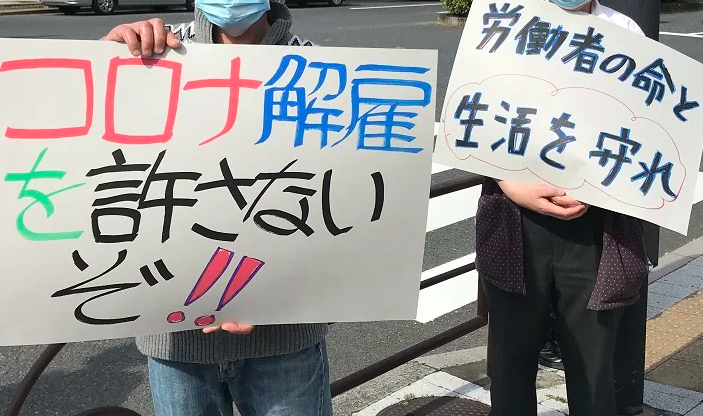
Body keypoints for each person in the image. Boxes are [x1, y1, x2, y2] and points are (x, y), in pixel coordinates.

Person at [102, 2, 331, 416]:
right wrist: (106, 56)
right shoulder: (155, 50)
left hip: (286, 340)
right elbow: (90, 149)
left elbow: (342, 205)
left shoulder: (322, 71)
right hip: (176, 342)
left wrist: (278, 293)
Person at [475, 1, 646, 415]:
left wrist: (598, 187)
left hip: (598, 225)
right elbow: (474, 111)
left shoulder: (623, 32)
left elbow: (645, 130)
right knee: (509, 363)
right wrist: (510, 184)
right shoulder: (506, 22)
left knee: (593, 369)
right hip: (513, 219)